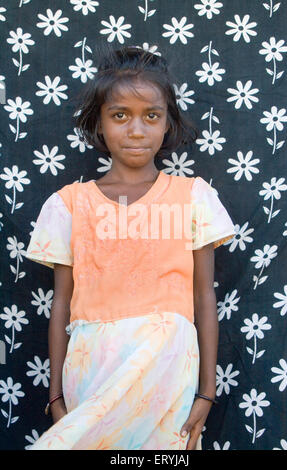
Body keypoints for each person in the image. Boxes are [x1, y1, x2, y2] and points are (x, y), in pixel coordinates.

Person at [24, 46, 236, 450]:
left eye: (150, 116)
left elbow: (204, 295)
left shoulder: (193, 197)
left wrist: (207, 392)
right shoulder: (69, 204)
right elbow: (61, 304)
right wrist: (55, 397)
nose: (136, 130)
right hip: (93, 369)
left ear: (167, 122)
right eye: (120, 115)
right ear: (99, 123)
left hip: (169, 371)